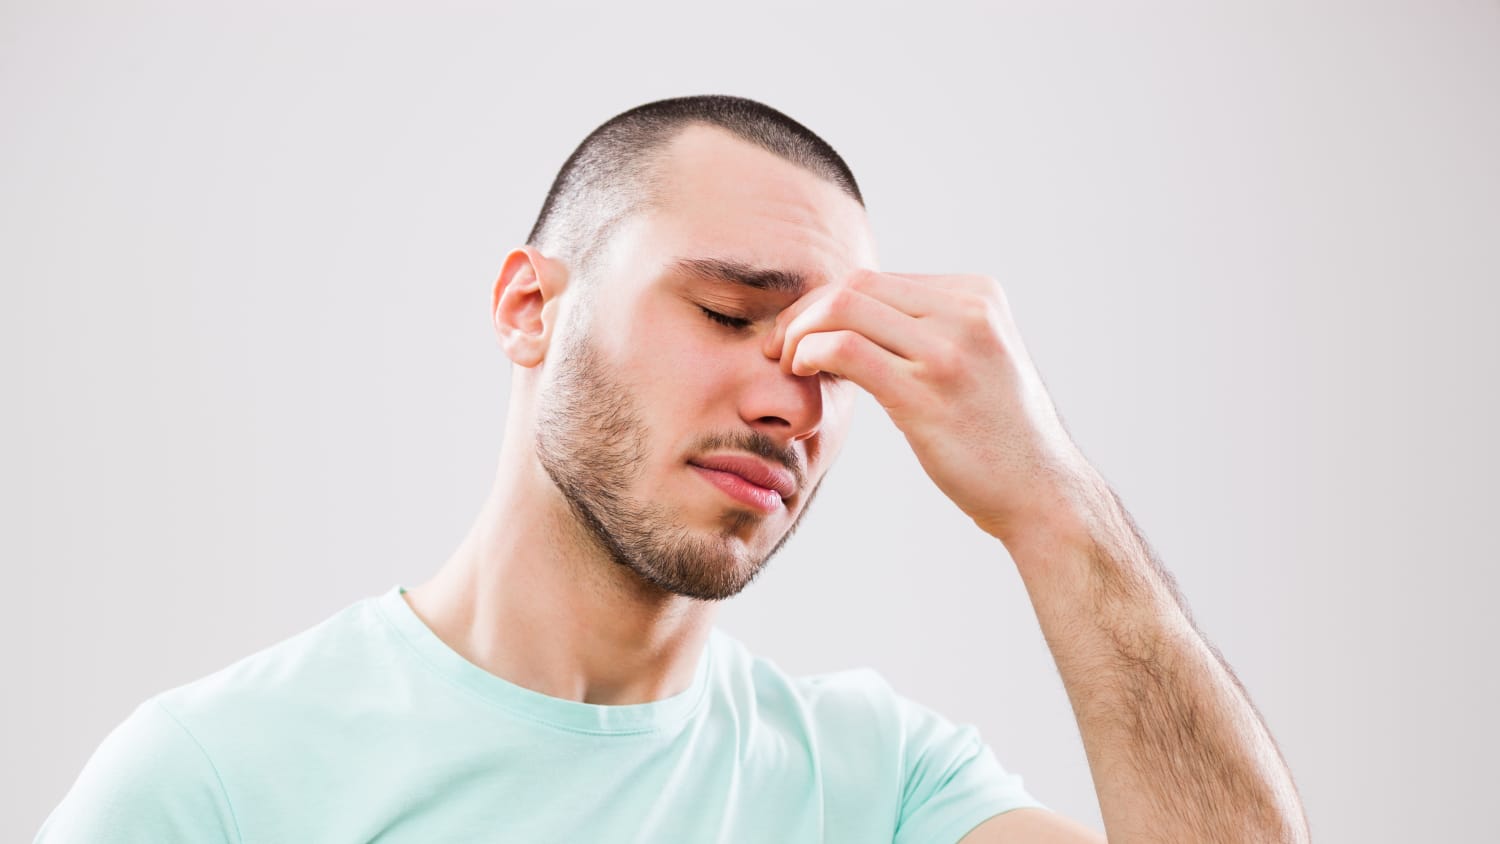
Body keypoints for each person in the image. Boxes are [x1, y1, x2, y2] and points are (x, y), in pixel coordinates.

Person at [36, 95, 1308, 842]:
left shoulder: (876, 787)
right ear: (530, 307)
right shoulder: (218, 781)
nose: (787, 401)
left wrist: (1054, 505)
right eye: (728, 312)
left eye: (828, 357)